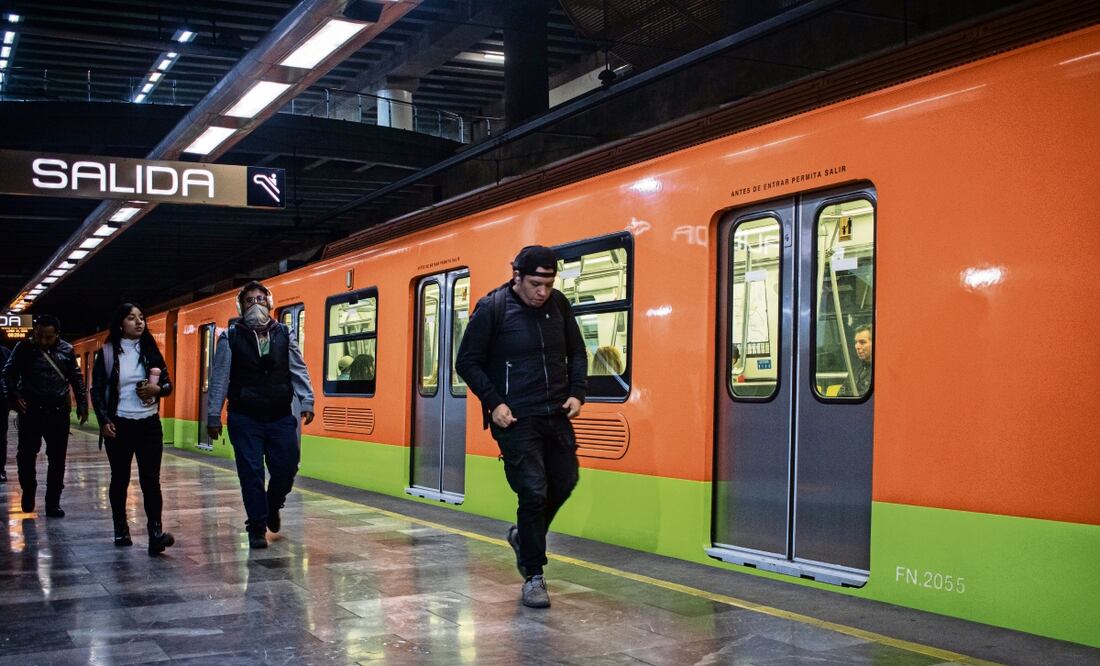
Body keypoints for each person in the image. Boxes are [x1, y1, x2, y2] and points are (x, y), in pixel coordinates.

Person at [455, 245, 587, 609]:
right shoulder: (493, 308)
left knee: (565, 481)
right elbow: (466, 362)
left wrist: (578, 392)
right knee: (533, 491)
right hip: (515, 418)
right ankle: (534, 575)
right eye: (535, 284)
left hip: (555, 414)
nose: (542, 292)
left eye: (548, 283)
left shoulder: (559, 306)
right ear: (517, 277)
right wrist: (494, 401)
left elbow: (577, 352)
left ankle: (523, 538)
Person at [207, 281, 315, 549]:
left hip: (280, 415)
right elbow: (219, 378)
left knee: (287, 467)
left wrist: (307, 399)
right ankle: (256, 526)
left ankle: (273, 503)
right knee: (251, 471)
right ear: (241, 307)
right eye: (248, 301)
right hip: (245, 417)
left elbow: (297, 369)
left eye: (260, 299)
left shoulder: (285, 333)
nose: (255, 304)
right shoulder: (229, 337)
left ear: (269, 303)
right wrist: (213, 415)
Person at [90, 303, 175, 554]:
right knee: (120, 479)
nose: (139, 322)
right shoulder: (106, 353)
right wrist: (104, 421)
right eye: (131, 318)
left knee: (151, 481)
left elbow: (168, 384)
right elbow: (97, 390)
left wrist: (157, 390)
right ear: (120, 323)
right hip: (119, 424)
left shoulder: (150, 350)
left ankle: (155, 534)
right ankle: (121, 529)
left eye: (141, 318)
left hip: (149, 423)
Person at [1, 315, 87, 516]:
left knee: (57, 459)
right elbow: (7, 374)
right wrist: (13, 397)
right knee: (25, 456)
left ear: (57, 335)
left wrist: (82, 403)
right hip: (30, 412)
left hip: (58, 412)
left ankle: (53, 503)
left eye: (48, 337)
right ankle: (29, 490)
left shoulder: (67, 350)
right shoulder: (23, 348)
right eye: (39, 336)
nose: (43, 341)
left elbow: (76, 378)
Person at [840, 324, 872, 396]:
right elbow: (841, 392)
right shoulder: (856, 370)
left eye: (862, 342)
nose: (857, 346)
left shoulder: (879, 372)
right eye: (856, 342)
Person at [0, 343, 10, 482]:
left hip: (1, 402)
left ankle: (0, 469)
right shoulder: (6, 352)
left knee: (1, 437)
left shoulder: (5, 353)